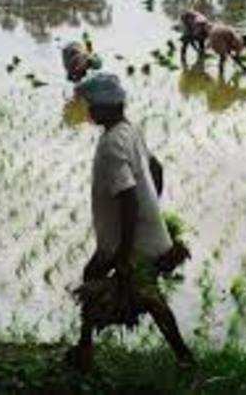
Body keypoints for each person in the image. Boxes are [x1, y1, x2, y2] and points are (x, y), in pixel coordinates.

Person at [68, 73, 193, 372]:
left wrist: (123, 254)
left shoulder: (111, 145)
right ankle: (85, 348)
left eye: (92, 106)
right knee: (145, 296)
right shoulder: (129, 130)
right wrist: (154, 209)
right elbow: (156, 167)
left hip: (128, 242)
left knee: (139, 294)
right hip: (144, 234)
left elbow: (127, 199)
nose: (89, 111)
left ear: (104, 107)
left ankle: (86, 352)